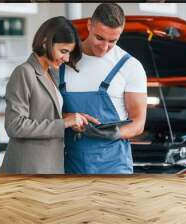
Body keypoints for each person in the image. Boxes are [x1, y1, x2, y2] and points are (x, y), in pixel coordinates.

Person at [0, 16, 98, 174]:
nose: (66, 58)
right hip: (29, 166)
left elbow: (43, 113)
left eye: (69, 53)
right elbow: (14, 126)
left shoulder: (52, 74)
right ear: (45, 42)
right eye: (63, 51)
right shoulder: (24, 72)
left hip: (51, 163)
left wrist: (70, 117)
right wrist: (63, 123)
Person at [59, 3, 147, 174]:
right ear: (89, 25)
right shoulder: (63, 62)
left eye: (112, 41)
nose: (104, 47)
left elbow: (138, 123)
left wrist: (111, 133)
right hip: (70, 163)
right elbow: (43, 112)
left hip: (115, 165)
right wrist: (66, 117)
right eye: (99, 38)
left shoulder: (130, 66)